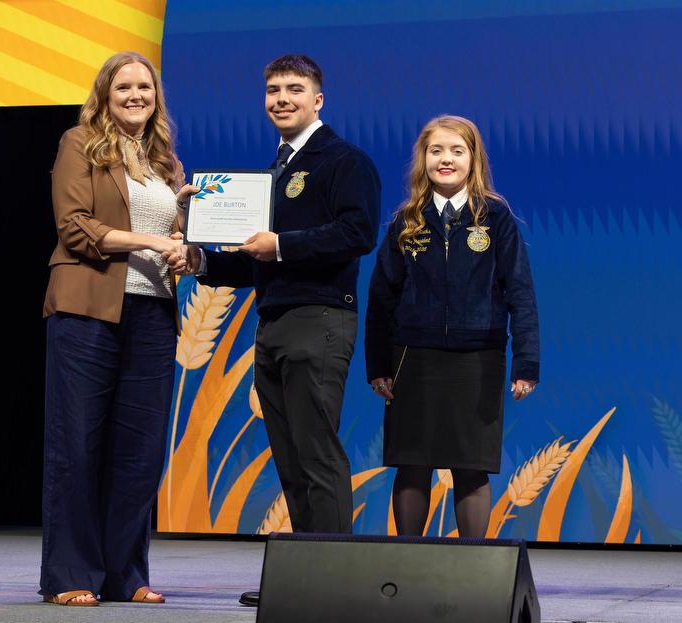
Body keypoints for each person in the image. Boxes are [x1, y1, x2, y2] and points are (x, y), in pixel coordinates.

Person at [169, 54, 380, 537]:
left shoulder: (345, 161)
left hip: (319, 319)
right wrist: (202, 260)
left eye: (294, 89)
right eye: (273, 91)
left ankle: (330, 579)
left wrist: (281, 245)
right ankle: (304, 576)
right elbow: (255, 257)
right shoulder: (276, 169)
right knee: (288, 454)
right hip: (275, 322)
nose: (281, 99)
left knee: (316, 452)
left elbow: (358, 233)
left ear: (318, 99)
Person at [40, 51, 196, 607]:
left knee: (140, 451)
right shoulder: (79, 143)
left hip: (152, 313)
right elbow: (75, 228)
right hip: (87, 309)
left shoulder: (165, 161)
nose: (136, 96)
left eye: (145, 88)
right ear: (104, 93)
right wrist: (154, 242)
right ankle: (70, 574)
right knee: (77, 446)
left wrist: (187, 242)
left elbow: (173, 237)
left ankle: (126, 574)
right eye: (124, 86)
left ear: (157, 97)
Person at [365, 115, 539, 538]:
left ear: (473, 159)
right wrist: (378, 365)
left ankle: (473, 570)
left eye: (456, 151)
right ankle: (406, 565)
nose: (446, 159)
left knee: (471, 466)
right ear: (422, 159)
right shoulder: (406, 221)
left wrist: (526, 363)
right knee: (413, 464)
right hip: (413, 359)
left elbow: (521, 294)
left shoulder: (496, 220)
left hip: (479, 359)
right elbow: (381, 300)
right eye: (436, 150)